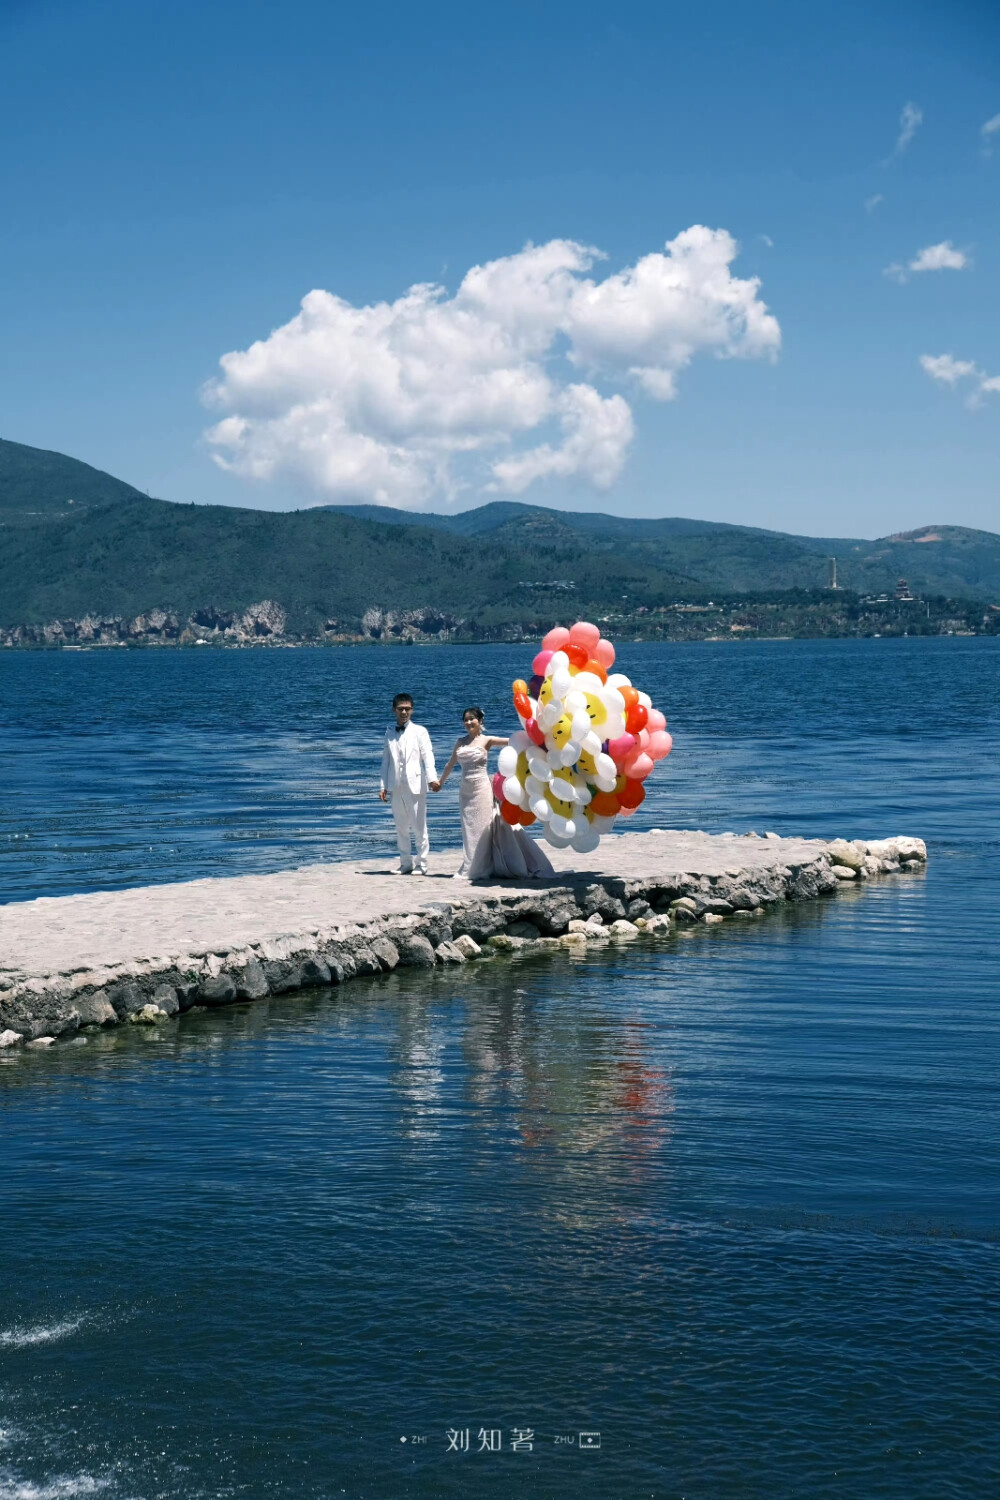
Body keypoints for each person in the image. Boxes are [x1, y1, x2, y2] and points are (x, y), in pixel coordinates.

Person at [431, 706, 553, 881]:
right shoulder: (460, 742)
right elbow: (450, 764)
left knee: (483, 827)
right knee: (469, 828)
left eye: (471, 718)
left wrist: (536, 740)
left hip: (482, 788)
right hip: (465, 790)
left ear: (480, 721)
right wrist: (440, 783)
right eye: (465, 719)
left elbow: (512, 742)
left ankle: (484, 867)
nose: (468, 722)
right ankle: (472, 866)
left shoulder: (487, 740)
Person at [379, 693, 438, 875]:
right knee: (401, 826)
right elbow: (386, 761)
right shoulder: (389, 733)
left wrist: (432, 778)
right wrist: (383, 786)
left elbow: (428, 756)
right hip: (396, 786)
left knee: (419, 826)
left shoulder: (420, 731)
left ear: (412, 710)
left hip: (416, 785)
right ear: (394, 710)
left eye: (407, 708)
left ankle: (422, 864)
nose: (404, 712)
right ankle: (405, 863)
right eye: (400, 709)